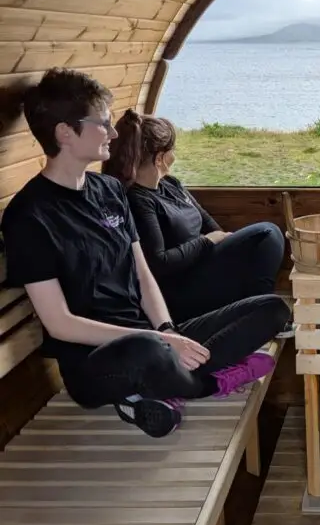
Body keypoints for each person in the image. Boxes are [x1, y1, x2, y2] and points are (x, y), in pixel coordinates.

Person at [1, 69, 291, 439]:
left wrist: (168, 330)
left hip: (150, 334)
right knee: (147, 351)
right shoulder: (30, 216)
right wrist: (160, 342)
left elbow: (143, 275)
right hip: (99, 361)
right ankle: (206, 385)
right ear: (65, 132)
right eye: (102, 123)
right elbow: (60, 324)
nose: (114, 133)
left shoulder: (108, 191)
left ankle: (161, 390)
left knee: (272, 309)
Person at [102, 109, 288, 324]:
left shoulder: (171, 185)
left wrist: (224, 245)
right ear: (160, 158)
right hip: (178, 291)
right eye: (172, 149)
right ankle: (259, 315)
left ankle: (257, 310)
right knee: (267, 233)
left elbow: (210, 224)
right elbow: (159, 263)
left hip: (202, 269)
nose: (175, 154)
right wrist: (207, 242)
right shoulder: (137, 200)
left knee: (265, 239)